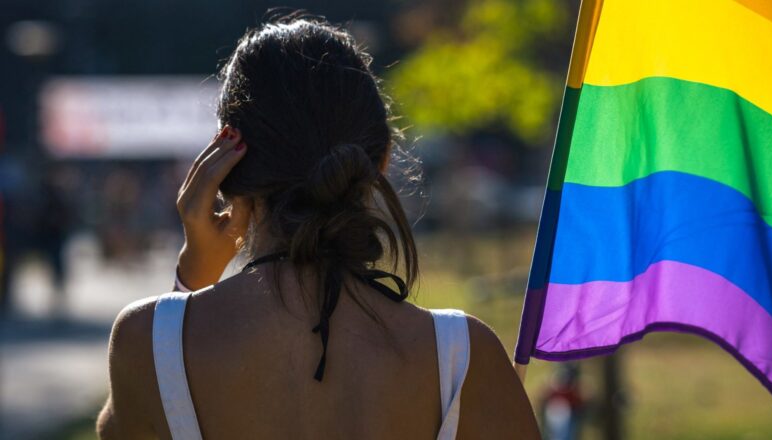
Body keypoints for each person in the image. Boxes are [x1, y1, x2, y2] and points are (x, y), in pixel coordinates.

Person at [96, 14, 539, 440]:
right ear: (379, 162)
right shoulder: (462, 357)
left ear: (229, 173)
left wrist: (189, 284)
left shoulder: (150, 341)